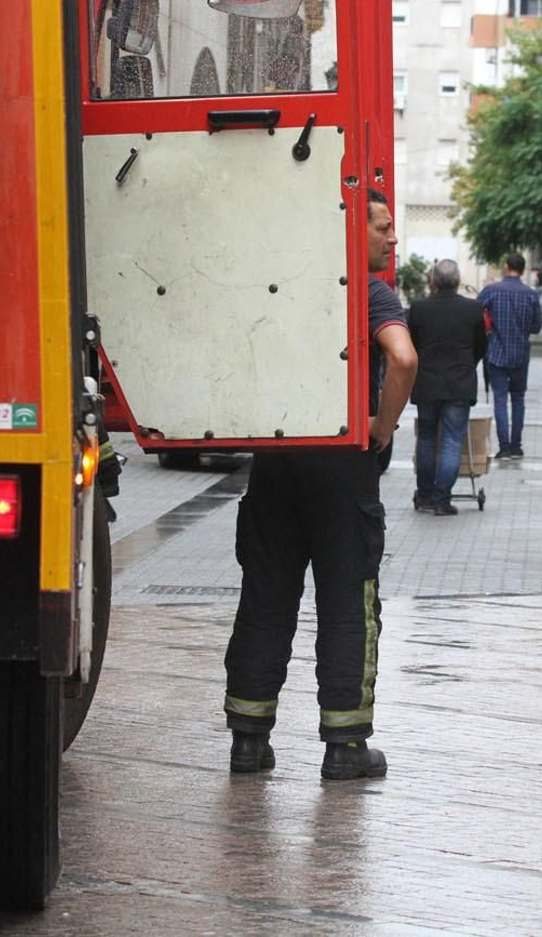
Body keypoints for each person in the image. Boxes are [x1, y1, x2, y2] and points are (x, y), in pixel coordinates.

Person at [223, 189, 417, 781]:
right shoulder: (370, 293)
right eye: (383, 227)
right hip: (341, 467)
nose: (392, 238)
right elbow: (403, 360)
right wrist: (382, 425)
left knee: (265, 600)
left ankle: (248, 743)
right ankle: (345, 748)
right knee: (347, 607)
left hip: (277, 462)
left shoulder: (282, 285)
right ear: (351, 231)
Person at [408, 259, 487, 515]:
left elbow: (411, 344)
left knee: (427, 438)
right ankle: (442, 500)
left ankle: (425, 496)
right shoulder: (473, 309)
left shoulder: (419, 309)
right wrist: (466, 366)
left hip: (427, 383)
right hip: (459, 385)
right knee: (452, 441)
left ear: (433, 280)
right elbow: (481, 347)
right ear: (457, 280)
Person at [478, 253, 542, 458]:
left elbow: (473, 313)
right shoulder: (531, 295)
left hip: (496, 352)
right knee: (518, 399)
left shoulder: (492, 291)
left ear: (506, 267)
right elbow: (536, 326)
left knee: (499, 400)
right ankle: (516, 445)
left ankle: (504, 446)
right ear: (522, 270)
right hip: (521, 354)